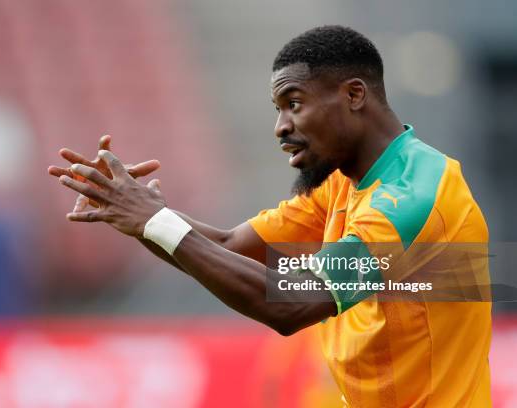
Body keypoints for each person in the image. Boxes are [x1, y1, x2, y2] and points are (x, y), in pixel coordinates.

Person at [48, 25, 491, 407]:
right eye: (278, 109)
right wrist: (137, 212)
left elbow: (294, 303)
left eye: (293, 103)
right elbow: (227, 248)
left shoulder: (413, 196)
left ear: (354, 94)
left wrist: (153, 221)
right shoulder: (344, 182)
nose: (280, 126)